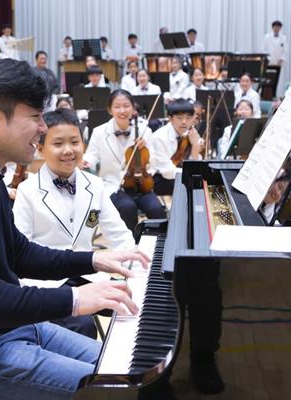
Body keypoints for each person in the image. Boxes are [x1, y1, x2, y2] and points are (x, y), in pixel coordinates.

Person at [0, 58, 150, 400]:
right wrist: (75, 298)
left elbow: (17, 252)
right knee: (121, 391)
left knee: (133, 370)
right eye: (34, 117)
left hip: (4, 332)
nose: (43, 129)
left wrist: (93, 260)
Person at [13, 109, 135, 338]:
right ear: (40, 148)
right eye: (58, 143)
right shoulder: (27, 190)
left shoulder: (95, 185)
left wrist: (135, 271)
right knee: (83, 325)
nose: (69, 150)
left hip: (87, 274)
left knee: (134, 302)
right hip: (47, 283)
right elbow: (20, 250)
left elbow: (120, 235)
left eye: (75, 142)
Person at [82, 89, 166, 231]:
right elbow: (91, 155)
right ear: (110, 110)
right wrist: (85, 161)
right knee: (128, 208)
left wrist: (146, 150)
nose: (122, 110)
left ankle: (159, 245)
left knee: (157, 209)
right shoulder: (99, 131)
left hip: (141, 184)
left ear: (133, 108)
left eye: (126, 106)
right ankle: (131, 246)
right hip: (113, 185)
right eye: (117, 106)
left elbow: (154, 162)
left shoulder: (145, 130)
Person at [149, 98, 202, 195]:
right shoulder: (159, 137)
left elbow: (195, 164)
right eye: (179, 118)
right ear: (170, 118)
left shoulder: (191, 133)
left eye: (188, 118)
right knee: (192, 185)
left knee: (200, 182)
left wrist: (195, 145)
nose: (184, 122)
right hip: (158, 178)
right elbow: (167, 172)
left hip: (179, 173)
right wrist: (191, 175)